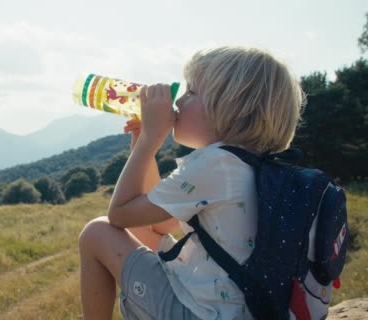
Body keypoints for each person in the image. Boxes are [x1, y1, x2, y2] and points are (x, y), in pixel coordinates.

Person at [78, 46, 304, 320]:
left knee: (96, 232)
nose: (179, 102)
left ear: (230, 110)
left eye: (191, 92)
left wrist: (150, 142)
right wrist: (144, 144)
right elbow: (160, 226)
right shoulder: (253, 165)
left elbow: (120, 214)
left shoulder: (215, 165)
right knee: (150, 236)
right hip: (244, 310)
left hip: (202, 314)